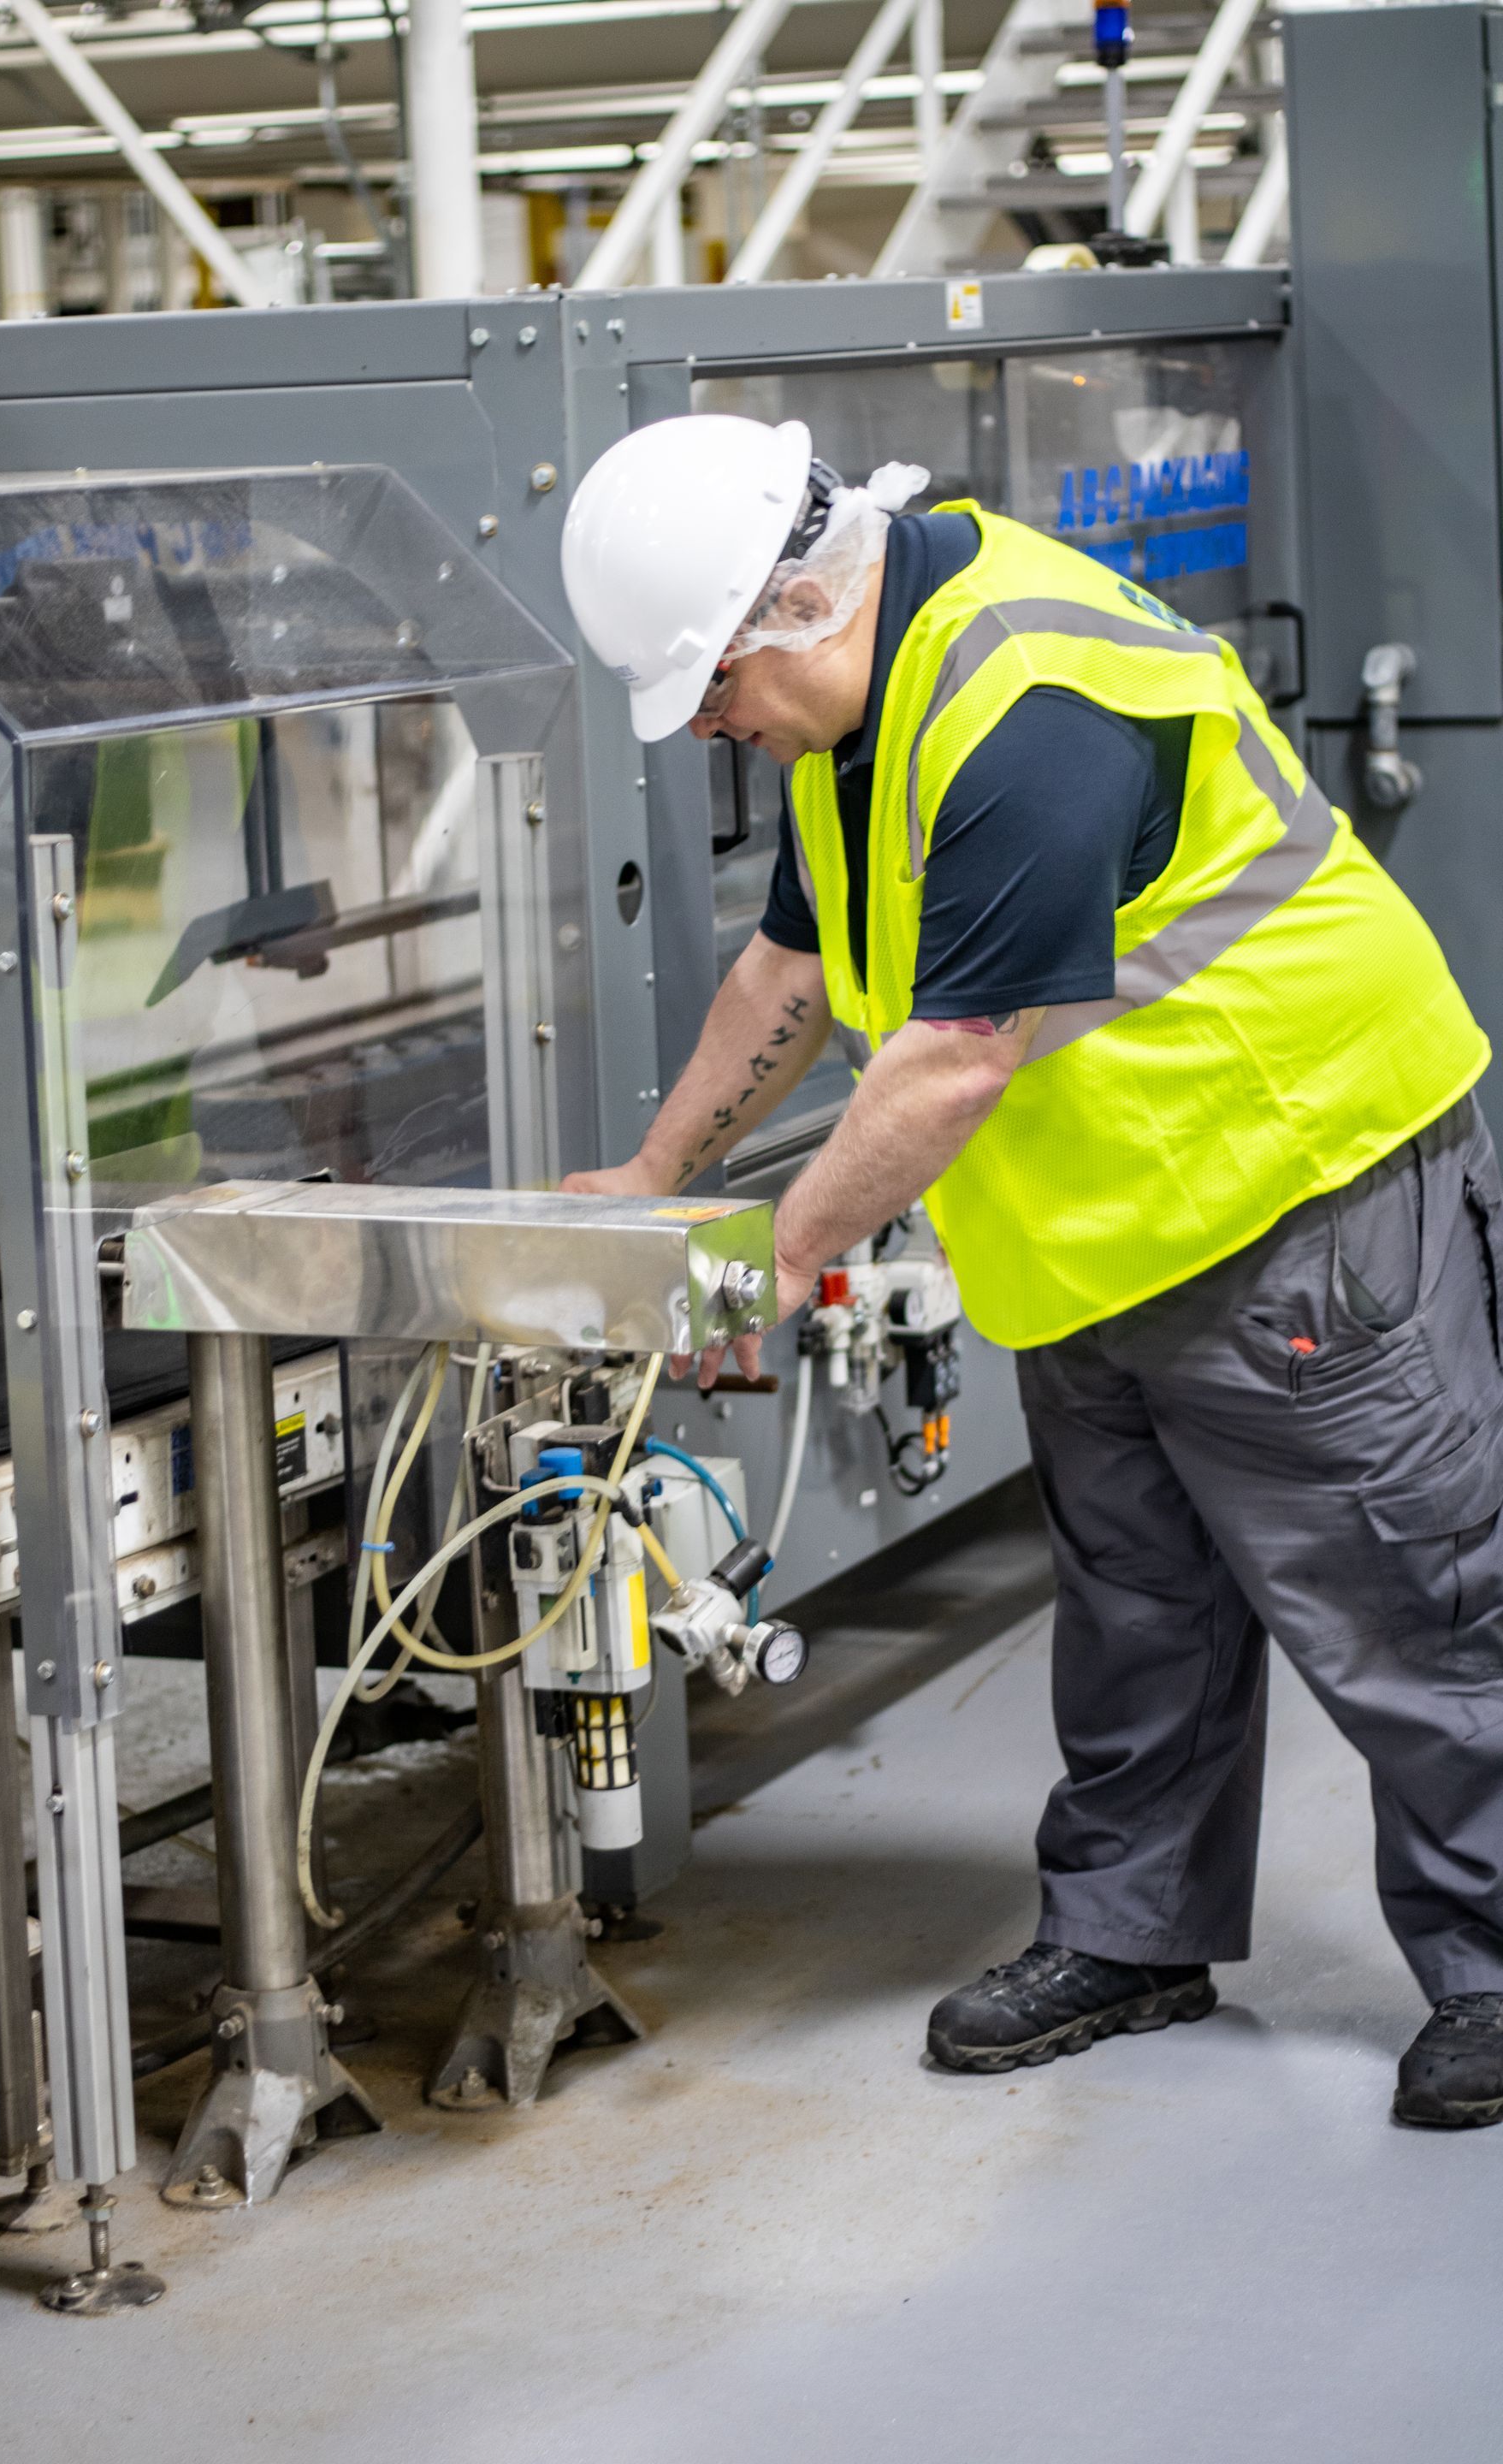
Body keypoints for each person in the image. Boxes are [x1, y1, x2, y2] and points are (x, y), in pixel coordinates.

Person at [556, 411, 1503, 2131]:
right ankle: (1133, 1935)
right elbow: (796, 964)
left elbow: (953, 1057)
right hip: (1104, 1229)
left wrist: (766, 1264)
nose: (709, 725)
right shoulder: (856, 712)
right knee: (1139, 1607)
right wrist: (653, 1175)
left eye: (709, 689)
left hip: (1293, 1179)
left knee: (1409, 1599)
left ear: (791, 610)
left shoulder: (1024, 708)